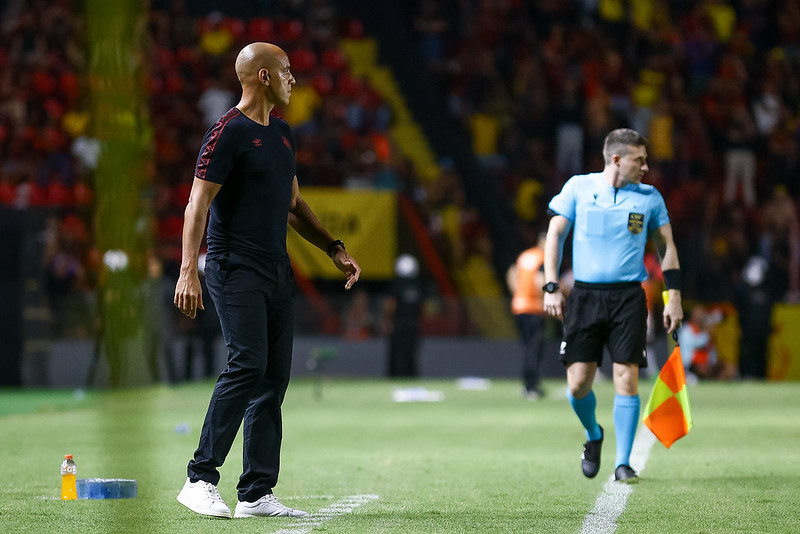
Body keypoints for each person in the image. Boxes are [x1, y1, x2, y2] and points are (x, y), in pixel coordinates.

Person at [174, 42, 361, 520]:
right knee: (247, 364)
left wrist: (333, 248)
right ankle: (199, 478)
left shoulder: (281, 133)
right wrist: (187, 269)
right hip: (233, 265)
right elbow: (197, 204)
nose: (293, 78)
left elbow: (294, 205)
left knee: (274, 377)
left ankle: (256, 493)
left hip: (276, 268)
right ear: (262, 77)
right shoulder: (227, 133)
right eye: (286, 70)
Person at [543, 128, 683, 484]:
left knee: (627, 377)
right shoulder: (579, 187)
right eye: (640, 159)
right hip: (586, 297)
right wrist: (551, 285)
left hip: (628, 298)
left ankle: (623, 463)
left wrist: (675, 297)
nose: (646, 167)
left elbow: (666, 248)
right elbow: (555, 233)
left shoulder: (649, 198)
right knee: (577, 385)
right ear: (617, 159)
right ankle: (593, 434)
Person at [506, 232, 548, 399]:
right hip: (534, 308)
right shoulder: (543, 258)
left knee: (527, 347)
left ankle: (529, 383)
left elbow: (512, 273)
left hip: (519, 306)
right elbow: (540, 281)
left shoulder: (525, 256)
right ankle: (531, 385)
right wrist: (547, 300)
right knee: (534, 348)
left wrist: (517, 293)